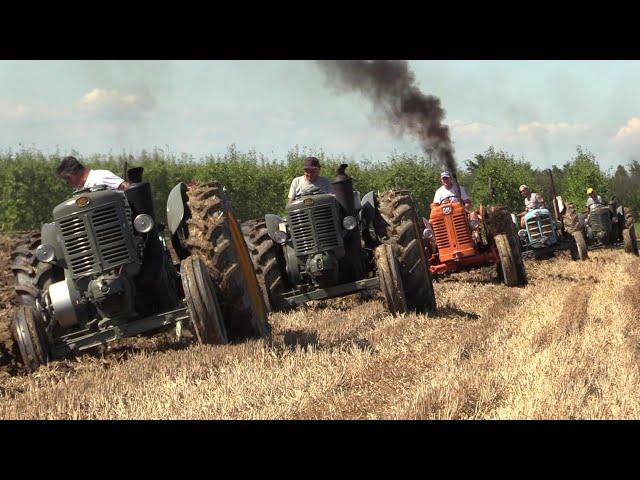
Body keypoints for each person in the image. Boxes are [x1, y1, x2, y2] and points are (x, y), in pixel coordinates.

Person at [56, 156, 130, 191]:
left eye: (67, 178)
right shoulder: (79, 192)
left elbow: (127, 187)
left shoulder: (101, 176)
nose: (67, 182)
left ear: (74, 171)